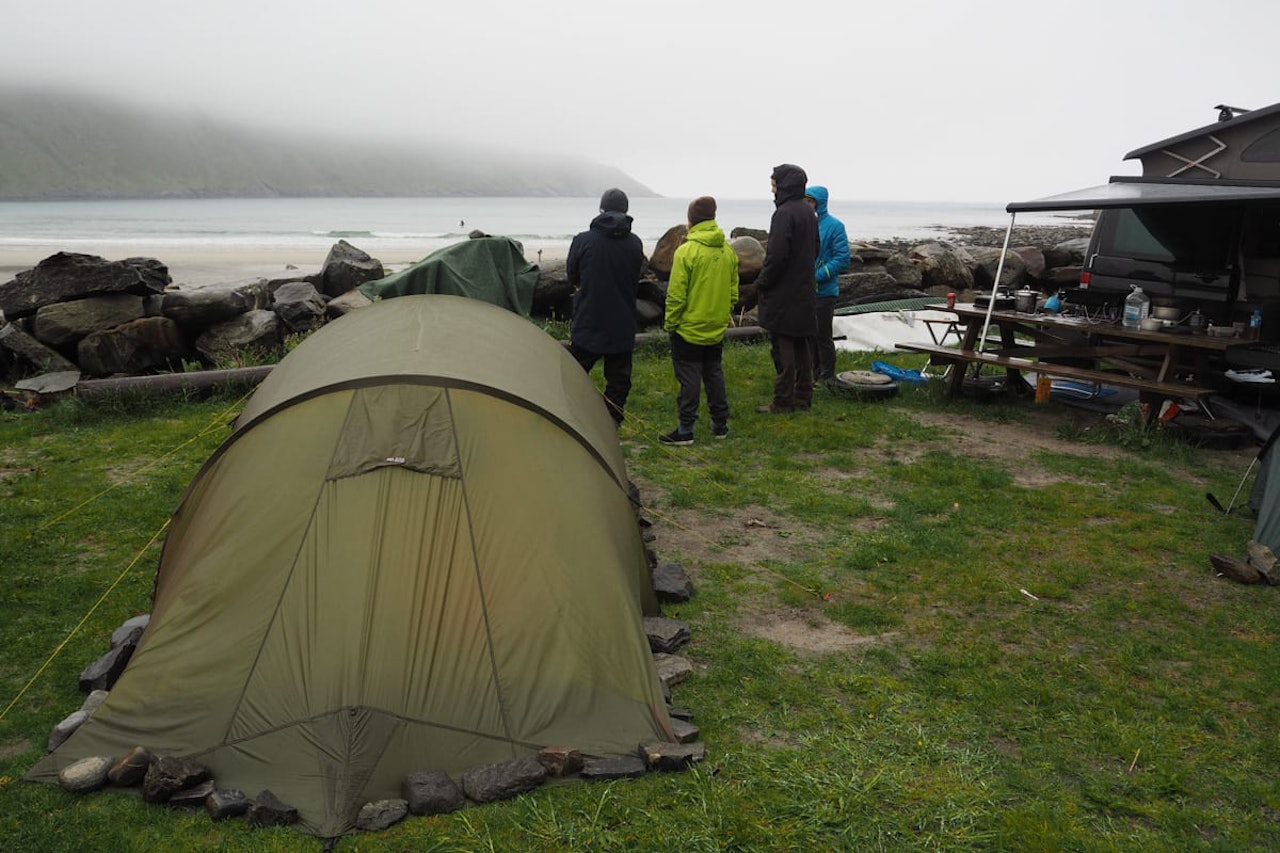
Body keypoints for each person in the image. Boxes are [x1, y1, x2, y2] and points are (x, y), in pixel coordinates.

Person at [659, 196, 740, 446]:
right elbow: (733, 290)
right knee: (714, 372)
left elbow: (676, 295)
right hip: (715, 325)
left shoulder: (686, 252)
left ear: (690, 220)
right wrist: (723, 313)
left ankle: (686, 429)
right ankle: (720, 424)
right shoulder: (727, 251)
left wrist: (671, 323)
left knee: (689, 377)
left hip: (688, 327)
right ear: (713, 217)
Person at [566, 188, 645, 425]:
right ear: (626, 210)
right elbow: (636, 275)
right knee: (619, 379)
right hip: (622, 320)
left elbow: (572, 275)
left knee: (572, 373)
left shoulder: (583, 240)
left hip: (588, 317)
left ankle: (572, 417)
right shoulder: (635, 243)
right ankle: (611, 421)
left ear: (601, 209)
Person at [755, 164, 819, 413]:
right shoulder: (809, 213)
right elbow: (815, 249)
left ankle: (783, 400)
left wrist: (761, 283)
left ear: (784, 185)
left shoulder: (783, 214)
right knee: (802, 343)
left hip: (784, 292)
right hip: (804, 288)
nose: (772, 189)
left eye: (774, 184)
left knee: (784, 347)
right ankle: (804, 395)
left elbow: (776, 256)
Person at [804, 185, 850, 385]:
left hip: (825, 291)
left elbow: (842, 258)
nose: (806, 204)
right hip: (805, 290)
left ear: (819, 203)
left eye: (810, 201)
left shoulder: (835, 226)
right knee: (808, 335)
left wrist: (818, 275)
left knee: (823, 335)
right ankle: (812, 374)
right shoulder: (805, 223)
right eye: (804, 201)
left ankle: (827, 376)